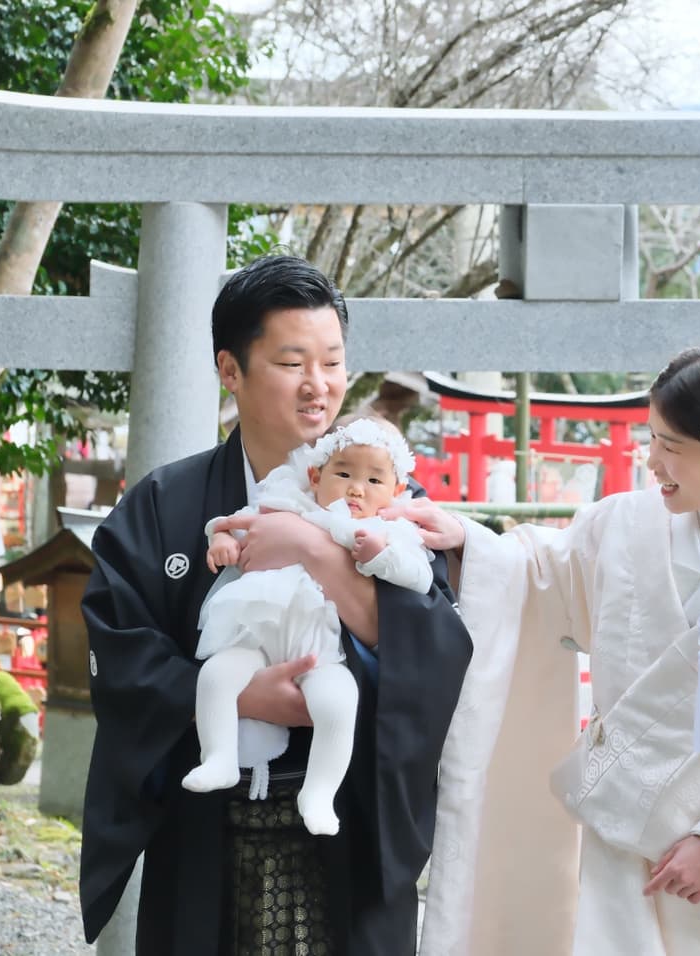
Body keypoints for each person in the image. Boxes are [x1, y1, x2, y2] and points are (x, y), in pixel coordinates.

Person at [407, 344, 700, 955]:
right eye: (651, 438)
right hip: (628, 828)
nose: (652, 460)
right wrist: (469, 543)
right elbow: (544, 575)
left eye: (672, 447)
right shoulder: (628, 523)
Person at [78, 254, 473, 955]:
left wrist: (315, 551)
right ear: (230, 370)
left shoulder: (390, 506)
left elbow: (436, 654)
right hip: (207, 833)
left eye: (332, 361)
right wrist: (243, 697)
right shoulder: (164, 504)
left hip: (348, 828)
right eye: (293, 362)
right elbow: (121, 653)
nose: (318, 386)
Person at [186, 417, 439, 837]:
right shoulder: (290, 505)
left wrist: (377, 556)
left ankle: (319, 792)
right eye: (343, 474)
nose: (356, 489)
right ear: (315, 476)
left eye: (374, 480)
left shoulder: (389, 531)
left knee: (339, 703)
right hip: (257, 631)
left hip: (320, 649)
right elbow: (232, 521)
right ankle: (218, 756)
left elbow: (419, 578)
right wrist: (222, 540)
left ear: (397, 491)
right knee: (215, 675)